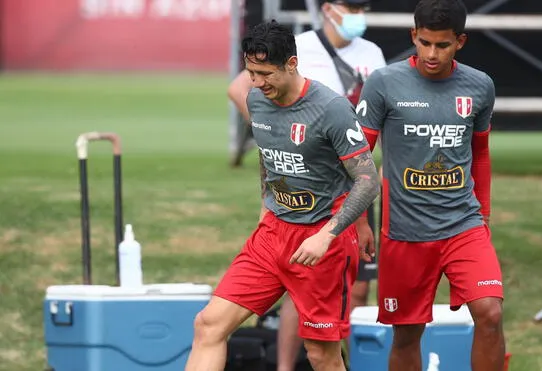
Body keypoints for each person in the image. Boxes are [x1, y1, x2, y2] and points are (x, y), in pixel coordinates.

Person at [185, 20, 379, 371]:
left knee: (321, 354)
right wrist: (265, 207)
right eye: (251, 72)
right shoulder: (257, 100)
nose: (256, 83)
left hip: (323, 243)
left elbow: (368, 180)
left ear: (291, 64)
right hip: (272, 235)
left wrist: (327, 236)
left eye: (264, 73)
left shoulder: (331, 109)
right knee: (208, 325)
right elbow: (268, 155)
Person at [355, 1, 506, 370]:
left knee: (490, 313)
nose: (432, 54)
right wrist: (359, 222)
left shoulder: (480, 86)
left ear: (461, 42)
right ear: (413, 36)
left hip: (463, 226)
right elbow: (357, 159)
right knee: (407, 334)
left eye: (442, 45)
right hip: (404, 234)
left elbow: (481, 154)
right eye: (424, 43)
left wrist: (483, 215)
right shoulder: (383, 83)